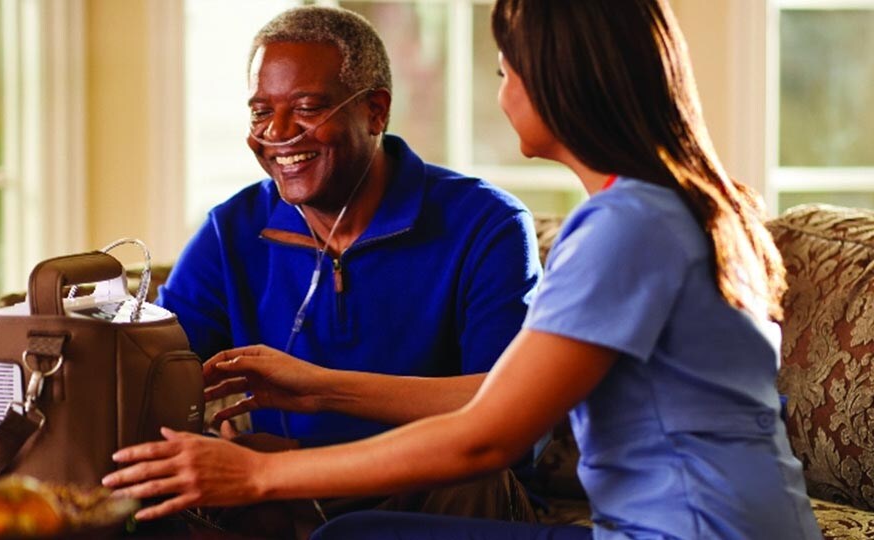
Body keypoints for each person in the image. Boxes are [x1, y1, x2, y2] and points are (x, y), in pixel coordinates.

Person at [105, 0, 823, 538]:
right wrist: (312, 395)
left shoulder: (627, 227)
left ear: (559, 81)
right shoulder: (662, 209)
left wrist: (259, 473)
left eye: (507, 70)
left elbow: (491, 432)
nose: (502, 90)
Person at [150, 4, 542, 534]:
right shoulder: (231, 230)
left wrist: (302, 448)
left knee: (471, 475)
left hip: (431, 489)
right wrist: (224, 451)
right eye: (261, 111)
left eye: (308, 107)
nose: (279, 133)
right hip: (284, 494)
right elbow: (154, 375)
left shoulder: (486, 224)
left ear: (376, 112)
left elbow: (510, 415)